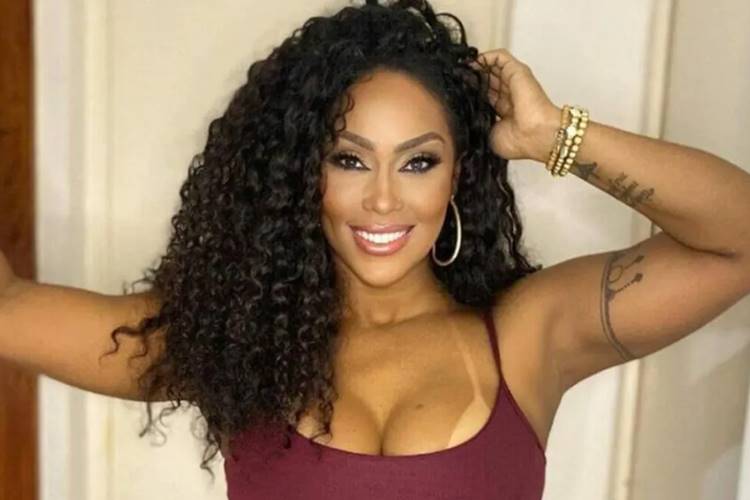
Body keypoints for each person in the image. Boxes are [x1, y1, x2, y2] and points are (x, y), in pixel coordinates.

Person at [2, 0, 750, 498]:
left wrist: (553, 135)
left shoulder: (527, 335)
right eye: (350, 159)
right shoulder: (232, 338)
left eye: (419, 161)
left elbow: (736, 242)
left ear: (459, 173)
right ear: (302, 173)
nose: (385, 199)